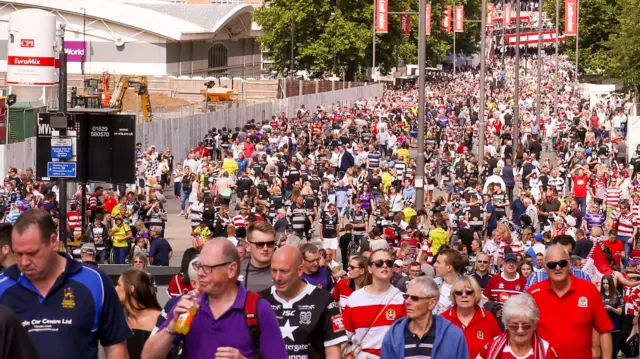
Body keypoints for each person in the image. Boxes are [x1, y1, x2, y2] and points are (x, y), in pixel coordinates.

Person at [0, 209, 132, 359]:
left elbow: (116, 347)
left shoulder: (95, 281)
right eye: (18, 253)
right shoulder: (3, 286)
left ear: (53, 242)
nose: (24, 262)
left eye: (32, 253)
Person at [142, 239, 287, 358]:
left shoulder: (258, 308)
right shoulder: (188, 304)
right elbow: (148, 356)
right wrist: (172, 327)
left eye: (208, 268)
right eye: (199, 266)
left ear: (231, 270)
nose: (200, 273)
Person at [527, 245, 614, 359]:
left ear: (569, 264)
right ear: (545, 267)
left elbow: (604, 330)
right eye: (552, 264)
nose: (558, 268)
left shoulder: (589, 289)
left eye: (562, 263)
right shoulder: (533, 293)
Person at [260, 245, 348, 358]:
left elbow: (333, 351)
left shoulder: (324, 300)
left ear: (300, 270)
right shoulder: (260, 300)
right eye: (273, 271)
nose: (277, 277)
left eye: (284, 271)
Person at [381, 276, 470, 359]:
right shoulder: (393, 335)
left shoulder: (453, 335)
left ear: (431, 303)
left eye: (414, 298)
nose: (407, 302)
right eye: (406, 296)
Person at [342, 249, 406, 357]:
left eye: (389, 263)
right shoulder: (355, 298)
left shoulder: (402, 299)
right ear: (370, 269)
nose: (384, 266)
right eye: (379, 263)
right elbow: (344, 336)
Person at [476, 294, 559, 359]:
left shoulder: (546, 351)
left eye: (526, 326)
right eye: (514, 326)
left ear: (534, 325)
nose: (520, 331)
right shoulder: (492, 346)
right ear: (507, 324)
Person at [442, 276, 502, 359]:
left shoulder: (488, 318)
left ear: (476, 294)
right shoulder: (443, 319)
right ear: (454, 295)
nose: (464, 295)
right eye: (459, 293)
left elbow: (498, 349)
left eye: (469, 292)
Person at [115, 269, 162, 359]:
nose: (115, 289)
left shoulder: (159, 319)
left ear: (131, 289)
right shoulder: (120, 318)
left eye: (118, 285)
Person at [239, 221, 277, 292]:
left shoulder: (284, 270)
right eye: (259, 244)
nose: (265, 248)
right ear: (248, 245)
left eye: (270, 243)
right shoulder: (237, 271)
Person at [433, 248, 464, 314]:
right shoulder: (432, 284)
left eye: (438, 262)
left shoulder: (468, 287)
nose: (434, 265)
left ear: (449, 268)